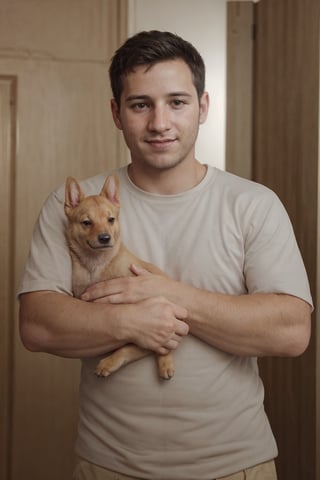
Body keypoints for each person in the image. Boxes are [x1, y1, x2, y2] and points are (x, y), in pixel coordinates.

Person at [18, 30, 312, 480]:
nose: (160, 123)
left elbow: (291, 333)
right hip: (107, 465)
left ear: (204, 107)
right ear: (117, 113)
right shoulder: (75, 206)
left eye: (177, 102)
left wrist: (169, 296)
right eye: (141, 105)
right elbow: (37, 325)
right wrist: (130, 321)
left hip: (236, 465)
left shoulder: (253, 204)